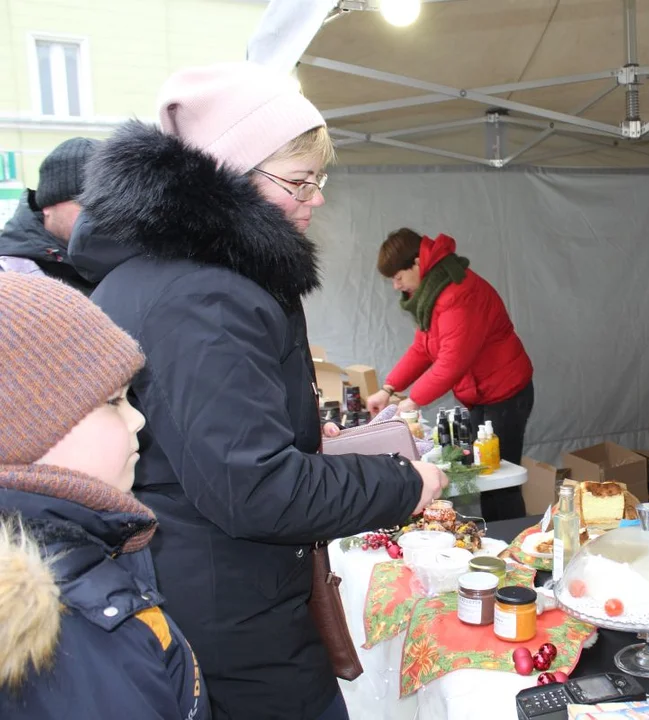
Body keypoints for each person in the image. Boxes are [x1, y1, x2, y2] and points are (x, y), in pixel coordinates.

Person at [68, 62, 448, 720]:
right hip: (231, 617)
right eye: (300, 182)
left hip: (198, 588)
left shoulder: (170, 276)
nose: (317, 199)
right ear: (227, 184)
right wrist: (404, 483)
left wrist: (300, 440)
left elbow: (207, 449)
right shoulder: (203, 295)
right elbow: (254, 489)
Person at [0, 273, 207, 719]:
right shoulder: (65, 630)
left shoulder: (84, 567)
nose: (137, 421)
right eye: (113, 401)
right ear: (22, 431)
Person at [370, 229, 534, 520]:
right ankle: (492, 537)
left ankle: (510, 543)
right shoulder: (431, 293)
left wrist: (412, 401)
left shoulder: (459, 293)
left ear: (418, 263)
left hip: (506, 393)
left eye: (398, 277)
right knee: (480, 472)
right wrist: (388, 388)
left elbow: (452, 363)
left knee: (499, 480)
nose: (396, 286)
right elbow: (423, 348)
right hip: (479, 394)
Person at [0, 138, 98, 293]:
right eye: (86, 204)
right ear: (48, 204)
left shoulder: (126, 261)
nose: (101, 216)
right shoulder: (9, 272)